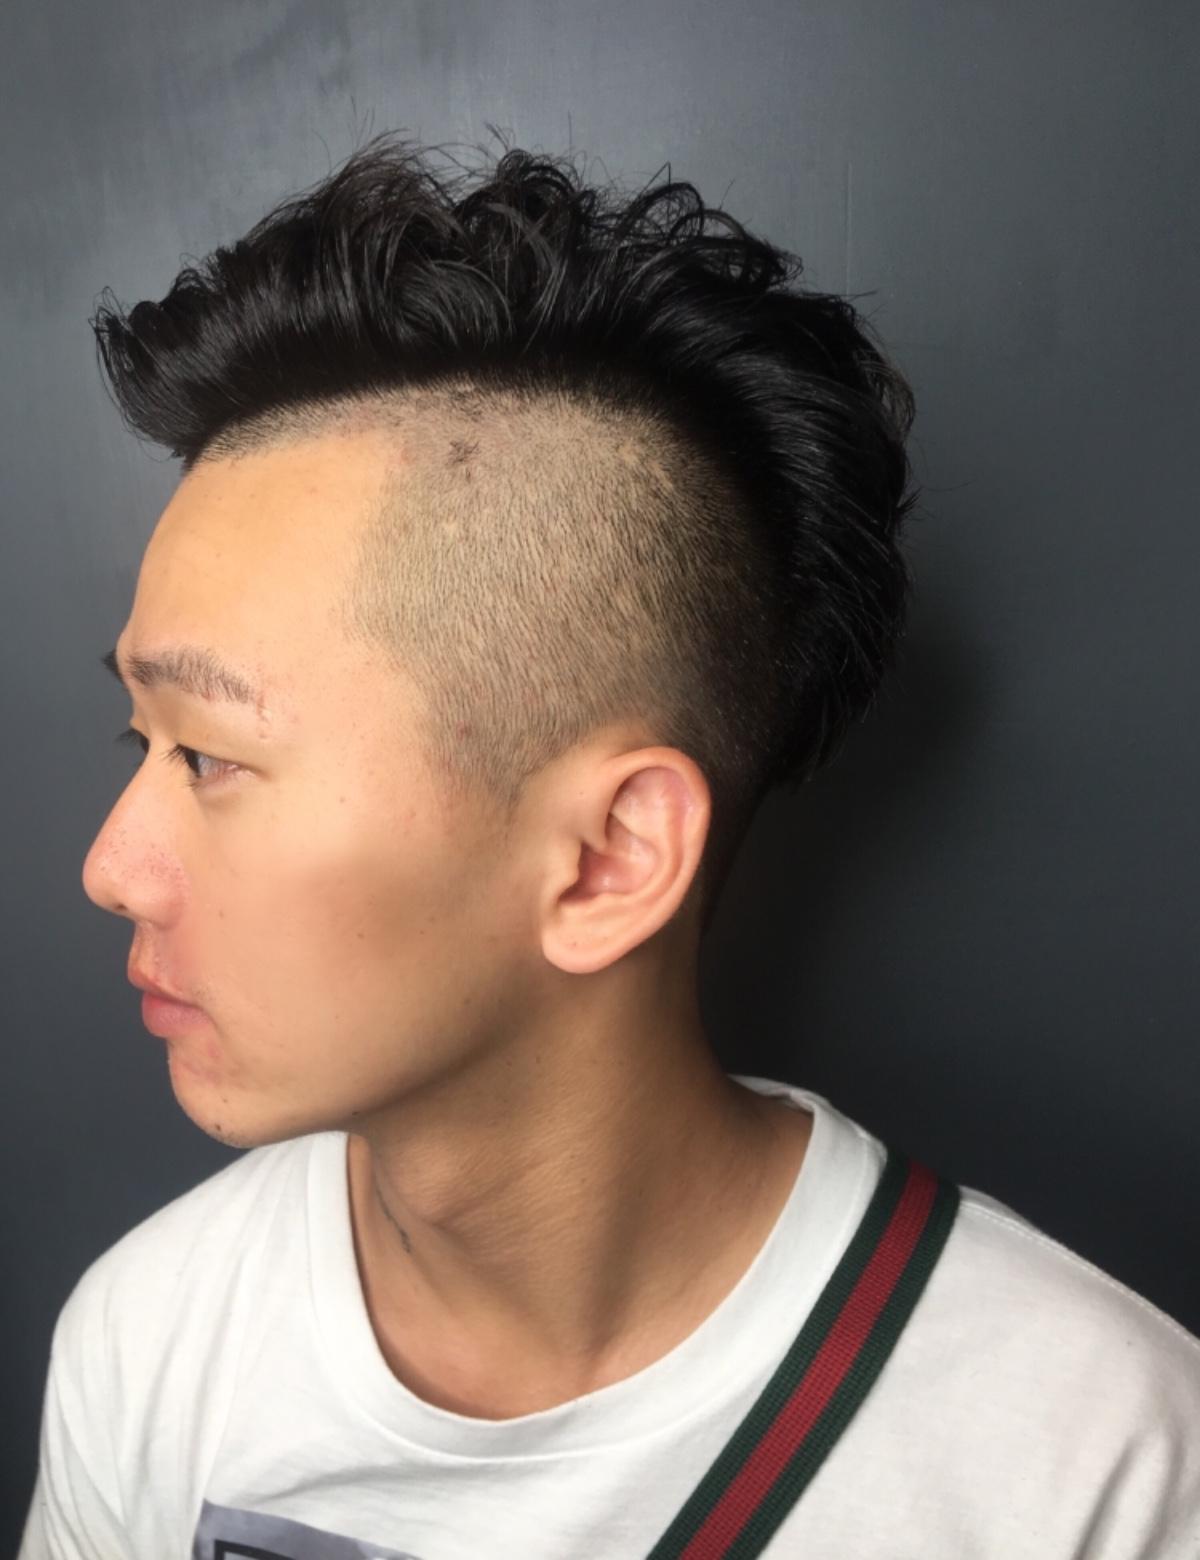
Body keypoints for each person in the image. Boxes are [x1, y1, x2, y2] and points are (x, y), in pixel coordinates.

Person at [18, 130, 1199, 1560]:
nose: (111, 868)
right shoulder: (154, 1345)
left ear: (608, 857)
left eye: (210, 756)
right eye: (138, 742)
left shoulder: (1097, 1471)